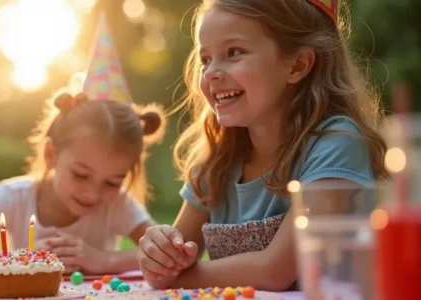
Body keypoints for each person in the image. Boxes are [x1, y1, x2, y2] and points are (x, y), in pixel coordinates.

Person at [137, 0, 389, 291]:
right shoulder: (217, 163)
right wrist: (157, 253)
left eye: (234, 52)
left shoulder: (337, 143)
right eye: (206, 59)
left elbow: (275, 271)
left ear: (298, 65)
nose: (210, 73)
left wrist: (181, 276)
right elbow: (168, 263)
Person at [0, 91, 165, 274]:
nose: (92, 194)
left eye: (112, 182)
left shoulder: (118, 205)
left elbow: (166, 253)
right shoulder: (13, 196)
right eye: (80, 174)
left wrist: (105, 260)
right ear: (51, 154)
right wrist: (22, 258)